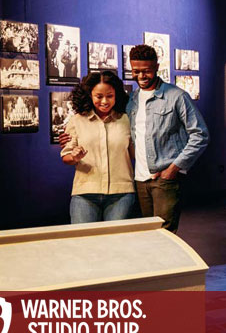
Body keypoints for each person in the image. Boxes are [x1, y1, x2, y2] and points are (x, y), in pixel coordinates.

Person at [126, 44, 209, 232]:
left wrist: (174, 168)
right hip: (139, 180)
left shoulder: (177, 96)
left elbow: (200, 135)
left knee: (165, 235)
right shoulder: (131, 99)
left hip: (165, 180)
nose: (141, 76)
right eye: (136, 71)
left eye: (146, 71)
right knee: (147, 236)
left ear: (156, 67)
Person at [59, 71, 135, 223]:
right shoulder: (77, 120)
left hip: (122, 193)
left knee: (116, 244)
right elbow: (65, 157)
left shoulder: (126, 120)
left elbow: (135, 153)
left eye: (110, 96)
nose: (105, 101)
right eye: (99, 96)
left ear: (117, 95)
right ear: (90, 95)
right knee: (84, 244)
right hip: (84, 194)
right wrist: (74, 157)